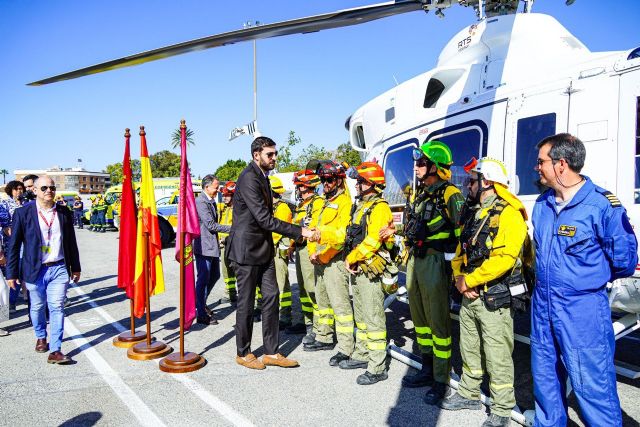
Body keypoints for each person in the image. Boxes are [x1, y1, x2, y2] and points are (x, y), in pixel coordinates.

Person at [531, 133, 637, 427]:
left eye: (542, 162)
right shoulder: (542, 205)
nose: (537, 167)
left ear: (561, 164)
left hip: (582, 310)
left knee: (593, 386)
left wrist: (583, 281)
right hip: (543, 307)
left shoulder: (602, 206)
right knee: (546, 381)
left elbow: (624, 261)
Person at [440, 157, 528, 427]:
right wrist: (459, 278)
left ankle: (502, 407)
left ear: (487, 182)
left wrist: (472, 280)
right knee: (469, 345)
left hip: (493, 295)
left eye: (472, 180)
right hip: (471, 293)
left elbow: (504, 258)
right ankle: (468, 391)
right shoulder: (476, 212)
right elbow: (460, 252)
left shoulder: (510, 214)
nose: (467, 185)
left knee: (497, 350)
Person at [225, 136, 313, 369]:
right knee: (246, 303)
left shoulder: (264, 177)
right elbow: (264, 219)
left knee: (272, 297)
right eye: (270, 154)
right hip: (245, 252)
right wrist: (300, 231)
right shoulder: (248, 178)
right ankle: (243, 353)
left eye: (275, 153)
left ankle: (271, 353)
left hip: (263, 250)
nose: (275, 158)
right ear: (256, 155)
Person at [400, 140, 464, 405]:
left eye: (422, 163)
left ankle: (441, 379)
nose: (416, 167)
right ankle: (426, 368)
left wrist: (456, 269)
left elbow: (461, 234)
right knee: (420, 319)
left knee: (438, 323)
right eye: (417, 162)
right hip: (416, 260)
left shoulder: (451, 194)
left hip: (436, 262)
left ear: (435, 167)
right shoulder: (420, 194)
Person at [5, 176, 81, 364]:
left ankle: (55, 349)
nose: (49, 191)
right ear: (36, 191)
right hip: (34, 269)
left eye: (52, 188)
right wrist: (11, 273)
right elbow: (14, 246)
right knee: (38, 307)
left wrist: (76, 267)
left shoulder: (63, 212)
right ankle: (40, 335)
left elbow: (70, 242)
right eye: (45, 187)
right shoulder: (23, 213)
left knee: (57, 307)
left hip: (59, 268)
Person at [338, 162, 394, 385]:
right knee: (361, 316)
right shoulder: (360, 205)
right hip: (359, 267)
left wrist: (352, 258)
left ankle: (377, 366)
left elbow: (372, 241)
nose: (357, 184)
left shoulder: (379, 207)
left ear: (371, 184)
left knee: (373, 317)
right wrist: (350, 258)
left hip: (370, 268)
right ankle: (362, 354)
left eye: (361, 181)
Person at [304, 161, 355, 364]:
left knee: (340, 305)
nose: (325, 183)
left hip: (334, 260)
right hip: (319, 259)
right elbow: (313, 229)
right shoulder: (325, 201)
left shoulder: (345, 202)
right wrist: (312, 253)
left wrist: (323, 252)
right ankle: (324, 337)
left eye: (329, 179)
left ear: (339, 180)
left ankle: (345, 347)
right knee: (322, 302)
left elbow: (342, 236)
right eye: (323, 179)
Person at [290, 169, 324, 340]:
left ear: (305, 187)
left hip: (309, 249)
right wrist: (290, 246)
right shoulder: (302, 205)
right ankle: (308, 322)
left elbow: (314, 228)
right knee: (303, 289)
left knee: (312, 289)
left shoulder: (317, 203)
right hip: (299, 248)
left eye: (299, 186)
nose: (297, 189)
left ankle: (319, 327)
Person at [193, 175, 230, 326]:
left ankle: (201, 303)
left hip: (211, 246)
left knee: (214, 275)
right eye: (216, 187)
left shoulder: (211, 201)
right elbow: (211, 225)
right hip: (203, 247)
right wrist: (232, 229)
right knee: (203, 280)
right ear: (207, 187)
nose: (218, 190)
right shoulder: (201, 201)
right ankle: (201, 313)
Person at [268, 175, 295, 329]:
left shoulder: (282, 208)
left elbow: (277, 231)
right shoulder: (271, 207)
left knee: (281, 283)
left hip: (278, 251)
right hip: (271, 250)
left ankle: (285, 316)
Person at [1, 180, 26, 312]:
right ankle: (11, 301)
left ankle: (19, 299)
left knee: (23, 272)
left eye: (21, 188)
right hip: (12, 244)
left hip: (27, 243)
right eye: (16, 189)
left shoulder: (27, 204)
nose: (19, 191)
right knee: (14, 273)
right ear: (10, 190)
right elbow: (6, 227)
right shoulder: (4, 204)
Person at [218, 181, 237, 304]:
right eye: (223, 195)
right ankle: (230, 294)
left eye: (227, 195)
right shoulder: (223, 208)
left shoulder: (238, 210)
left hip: (235, 245)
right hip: (224, 245)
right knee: (226, 271)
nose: (224, 197)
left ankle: (252, 299)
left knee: (238, 271)